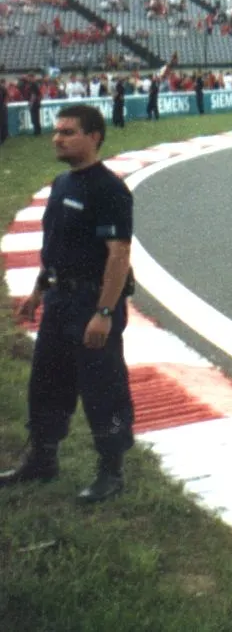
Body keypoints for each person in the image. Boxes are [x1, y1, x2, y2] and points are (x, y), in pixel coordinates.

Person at [0, 105, 136, 503]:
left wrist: (105, 313)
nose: (57, 138)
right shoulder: (61, 184)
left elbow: (118, 254)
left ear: (93, 136)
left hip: (93, 303)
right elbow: (56, 247)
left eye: (68, 132)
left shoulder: (109, 190)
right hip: (59, 300)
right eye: (56, 131)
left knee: (103, 388)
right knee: (46, 382)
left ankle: (111, 471)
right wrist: (39, 292)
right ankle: (43, 459)